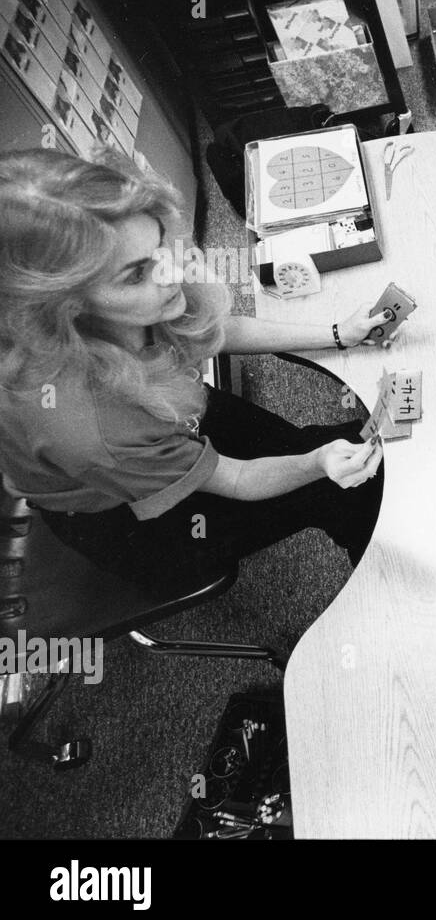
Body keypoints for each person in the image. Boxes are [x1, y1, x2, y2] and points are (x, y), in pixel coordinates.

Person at [0, 147, 392, 595]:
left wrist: (340, 332)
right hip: (129, 519)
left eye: (159, 242)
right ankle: (393, 609)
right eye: (135, 275)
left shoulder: (137, 297)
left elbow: (207, 329)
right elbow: (239, 480)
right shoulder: (94, 428)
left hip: (167, 418)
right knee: (350, 490)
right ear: (65, 308)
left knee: (350, 453)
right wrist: (318, 462)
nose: (172, 273)